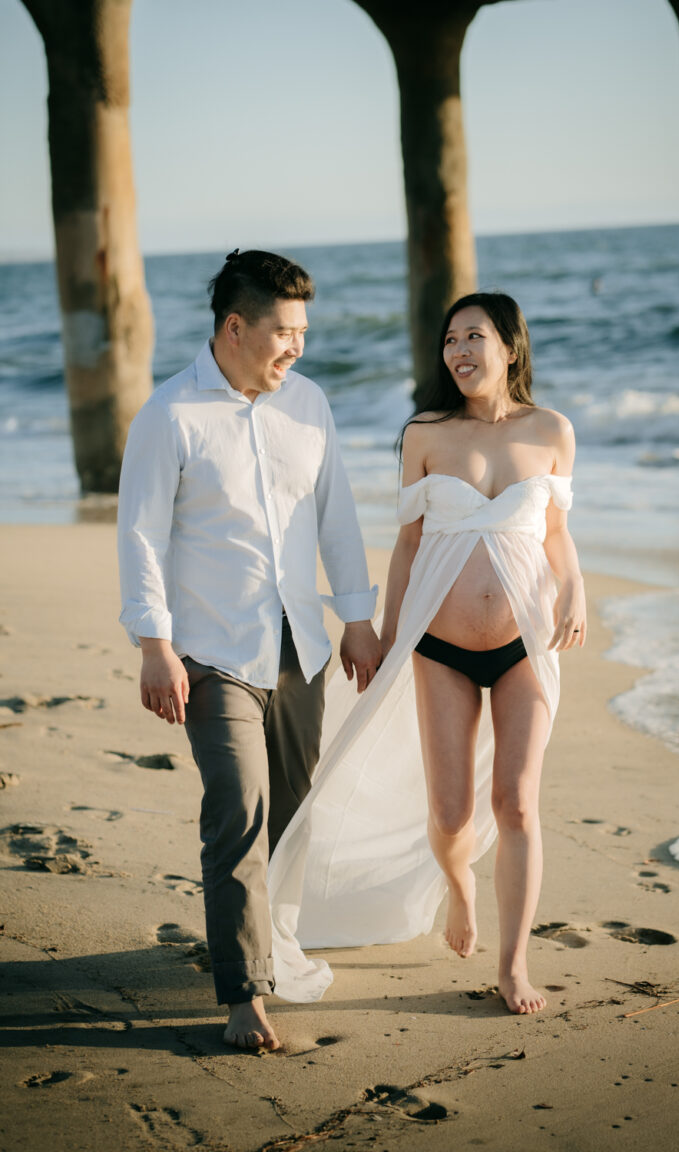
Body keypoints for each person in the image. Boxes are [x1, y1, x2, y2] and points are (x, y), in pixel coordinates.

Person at [266, 291, 585, 1017]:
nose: (460, 351)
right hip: (437, 645)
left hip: (525, 643)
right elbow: (408, 546)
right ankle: (458, 885)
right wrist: (381, 632)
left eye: (475, 336)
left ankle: (514, 964)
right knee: (449, 816)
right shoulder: (425, 435)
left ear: (510, 346)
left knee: (516, 805)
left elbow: (557, 533)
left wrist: (577, 591)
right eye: (450, 340)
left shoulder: (553, 431)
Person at [117, 249, 381, 1051]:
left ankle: (276, 941)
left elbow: (335, 517)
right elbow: (141, 536)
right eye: (284, 332)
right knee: (239, 812)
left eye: (303, 331)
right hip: (211, 653)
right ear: (236, 328)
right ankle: (243, 993)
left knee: (294, 813)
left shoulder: (310, 406)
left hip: (299, 648)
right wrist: (154, 645)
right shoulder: (169, 416)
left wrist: (359, 618)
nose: (296, 347)